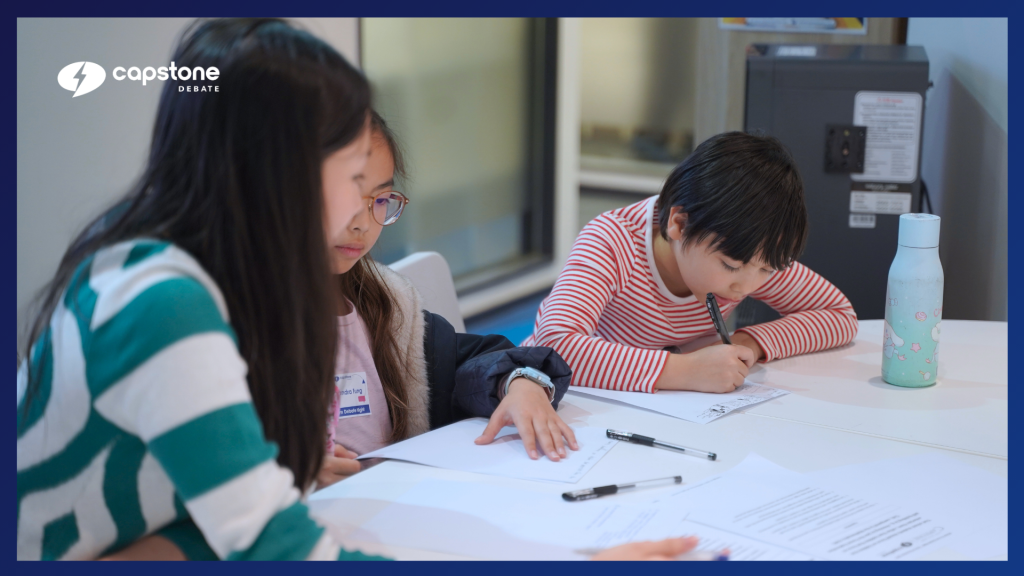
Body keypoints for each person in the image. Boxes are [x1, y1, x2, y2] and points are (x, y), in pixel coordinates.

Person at [17, 17, 697, 561]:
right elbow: (278, 546)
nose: (360, 210)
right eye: (349, 173)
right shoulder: (165, 304)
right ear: (271, 169)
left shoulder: (187, 269)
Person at [315, 110, 580, 490]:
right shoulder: (234, 329)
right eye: (345, 196)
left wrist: (519, 383)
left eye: (381, 199)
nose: (362, 223)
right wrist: (283, 477)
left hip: (402, 502)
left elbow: (468, 362)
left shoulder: (385, 306)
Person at [523, 131, 858, 393]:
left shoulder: (751, 252)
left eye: (767, 270)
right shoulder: (613, 241)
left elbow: (839, 315)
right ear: (679, 225)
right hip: (559, 396)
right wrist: (684, 370)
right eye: (730, 266)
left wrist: (748, 344)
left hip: (662, 407)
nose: (745, 287)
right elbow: (554, 345)